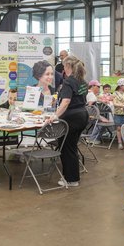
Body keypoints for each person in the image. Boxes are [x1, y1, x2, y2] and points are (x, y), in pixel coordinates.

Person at [50, 56, 89, 187]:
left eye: (64, 66)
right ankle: (73, 177)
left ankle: (71, 179)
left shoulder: (68, 82)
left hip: (71, 118)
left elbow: (66, 102)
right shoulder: (82, 81)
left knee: (66, 148)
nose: (63, 69)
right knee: (72, 147)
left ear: (68, 67)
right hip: (82, 115)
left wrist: (55, 116)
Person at [114, 78, 124, 150]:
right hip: (118, 113)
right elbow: (114, 103)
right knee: (118, 128)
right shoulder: (115, 93)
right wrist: (122, 106)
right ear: (120, 86)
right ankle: (120, 143)